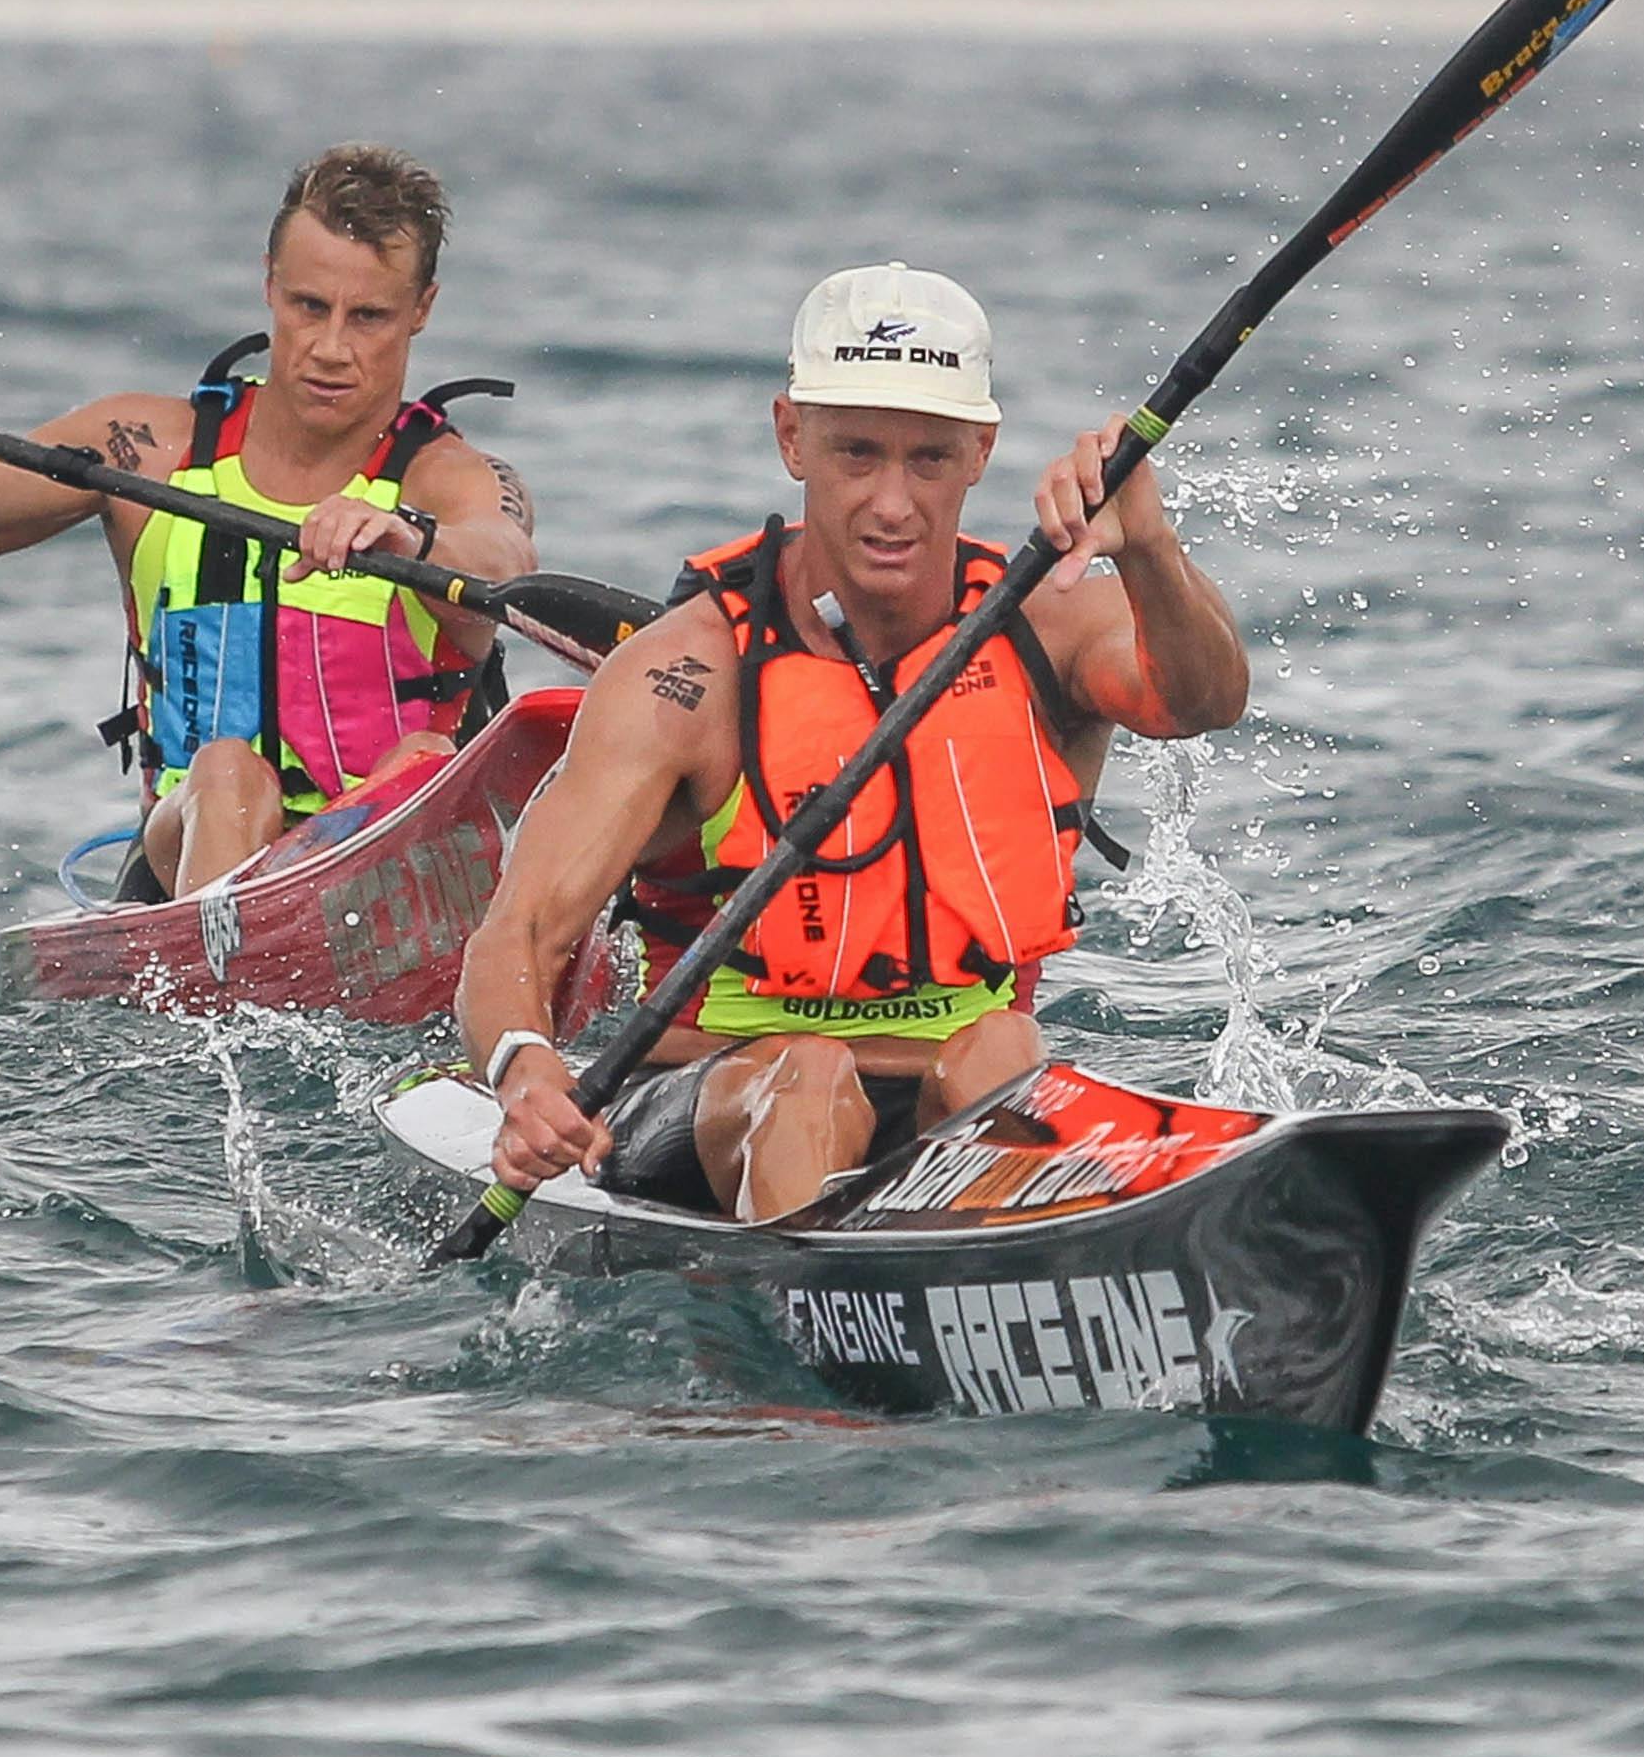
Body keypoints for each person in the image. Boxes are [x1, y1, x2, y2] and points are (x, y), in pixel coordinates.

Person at [447, 262, 1251, 1220]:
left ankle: (972, 1266)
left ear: (980, 451)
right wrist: (525, 1067)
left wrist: (1150, 548)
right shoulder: (690, 675)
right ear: (792, 437)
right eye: (857, 453)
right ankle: (806, 1341)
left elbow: (1204, 698)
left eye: (928, 459)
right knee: (808, 1078)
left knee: (1006, 1052)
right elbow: (519, 932)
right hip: (711, 1102)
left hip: (951, 1100)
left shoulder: (1050, 625)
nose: (891, 504)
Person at [0, 144, 533, 898]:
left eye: (368, 316)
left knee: (426, 756)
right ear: (268, 285)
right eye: (308, 306)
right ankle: (218, 1001)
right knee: (229, 772)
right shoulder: (145, 452)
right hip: (187, 855)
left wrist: (410, 539)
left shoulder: (442, 480)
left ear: (421, 310)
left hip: (391, 876)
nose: (331, 348)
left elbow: (506, 559)